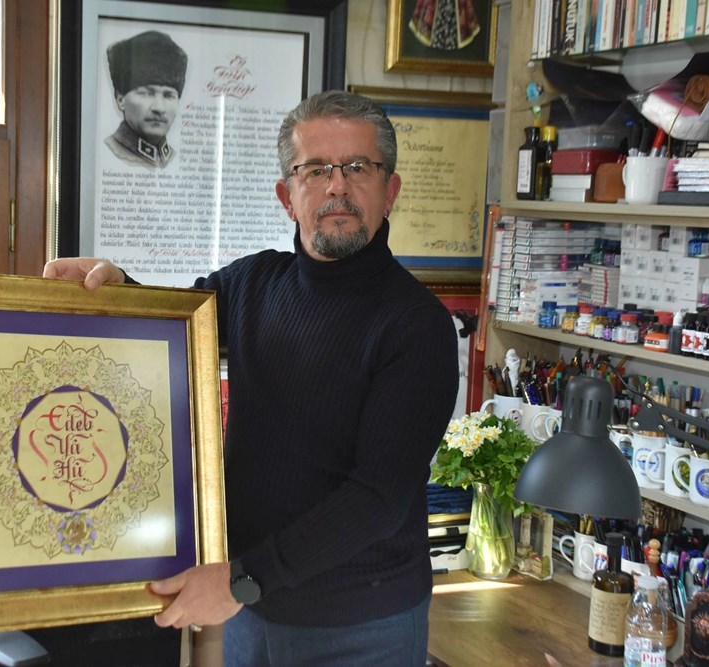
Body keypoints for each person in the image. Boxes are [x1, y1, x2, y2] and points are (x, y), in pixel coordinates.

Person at [44, 90, 459, 666]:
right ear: (288, 197)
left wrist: (241, 580)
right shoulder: (251, 283)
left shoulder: (417, 326)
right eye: (316, 170)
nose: (337, 187)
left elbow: (377, 501)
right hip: (255, 612)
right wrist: (117, 289)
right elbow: (172, 331)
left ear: (390, 191)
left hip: (360, 628)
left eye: (358, 167)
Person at [104, 30, 187, 169]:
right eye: (147, 93)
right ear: (120, 99)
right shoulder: (108, 152)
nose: (159, 108)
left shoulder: (175, 160)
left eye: (168, 95)